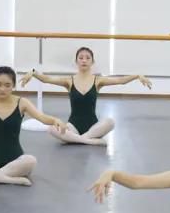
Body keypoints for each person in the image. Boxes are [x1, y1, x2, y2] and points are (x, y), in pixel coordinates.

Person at [19, 46, 152, 145]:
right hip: (73, 127)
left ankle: (77, 140)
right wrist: (33, 72)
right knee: (51, 129)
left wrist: (137, 75)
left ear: (92, 62)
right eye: (81, 58)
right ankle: (88, 141)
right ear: (76, 61)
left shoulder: (98, 81)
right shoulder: (69, 81)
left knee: (110, 122)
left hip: (93, 127)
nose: (84, 60)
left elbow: (120, 80)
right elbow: (47, 79)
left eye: (88, 58)